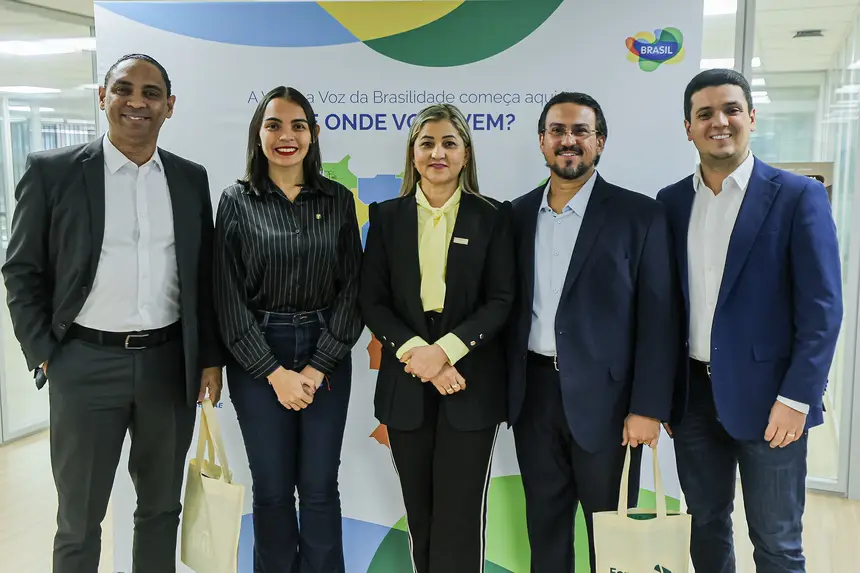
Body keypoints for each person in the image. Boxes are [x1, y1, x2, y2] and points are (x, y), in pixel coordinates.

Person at [1, 53, 223, 572]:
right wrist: (45, 353)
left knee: (161, 511)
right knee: (79, 520)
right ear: (103, 98)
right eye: (123, 89)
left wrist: (209, 358)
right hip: (84, 365)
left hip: (169, 366)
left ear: (170, 106)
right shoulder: (53, 172)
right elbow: (22, 270)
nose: (136, 102)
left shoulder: (190, 179)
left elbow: (203, 278)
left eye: (151, 93)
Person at [656, 69, 843, 573]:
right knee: (705, 529)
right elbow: (666, 308)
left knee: (777, 542)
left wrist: (797, 398)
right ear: (689, 128)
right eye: (705, 114)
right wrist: (663, 393)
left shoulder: (797, 196)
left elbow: (823, 309)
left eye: (731, 109)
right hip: (693, 400)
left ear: (752, 118)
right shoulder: (671, 202)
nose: (719, 121)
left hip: (773, 402)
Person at [506, 92, 678, 573]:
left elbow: (659, 322)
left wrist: (647, 407)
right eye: (557, 131)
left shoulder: (639, 215)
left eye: (580, 131)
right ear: (542, 141)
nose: (569, 140)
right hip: (533, 398)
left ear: (599, 141)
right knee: (545, 533)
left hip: (611, 406)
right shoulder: (514, 215)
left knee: (613, 540)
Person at [212, 85, 363, 573]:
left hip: (326, 349)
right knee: (273, 490)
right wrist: (274, 373)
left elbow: (353, 291)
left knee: (319, 489)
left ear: (313, 134)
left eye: (298, 126)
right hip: (258, 352)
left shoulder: (338, 200)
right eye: (274, 125)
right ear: (258, 135)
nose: (286, 136)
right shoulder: (236, 201)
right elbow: (227, 299)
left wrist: (317, 368)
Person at [359, 103, 515, 573]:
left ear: (465, 154)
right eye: (427, 143)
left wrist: (444, 354)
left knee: (459, 518)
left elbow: (501, 300)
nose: (438, 153)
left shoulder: (493, 216)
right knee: (421, 517)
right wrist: (418, 356)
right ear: (413, 154)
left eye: (449, 143)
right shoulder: (387, 217)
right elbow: (372, 301)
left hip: (470, 383)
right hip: (406, 383)